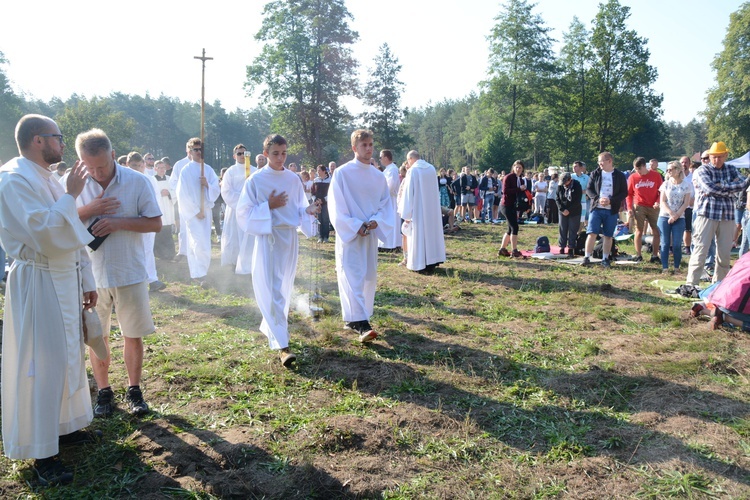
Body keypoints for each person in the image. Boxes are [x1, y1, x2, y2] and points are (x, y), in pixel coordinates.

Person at [0, 115, 100, 485]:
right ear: (39, 140)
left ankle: (65, 426)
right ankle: (42, 453)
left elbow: (70, 230)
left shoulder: (51, 179)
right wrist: (72, 195)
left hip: (64, 278)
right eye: (58, 138)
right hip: (38, 279)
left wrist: (86, 276)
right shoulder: (13, 179)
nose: (63, 144)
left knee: (68, 355)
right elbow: (43, 233)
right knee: (42, 363)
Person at [75, 129, 162, 419]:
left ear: (113, 155)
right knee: (96, 335)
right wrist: (90, 208)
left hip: (129, 270)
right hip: (90, 274)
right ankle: (103, 391)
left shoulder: (137, 181)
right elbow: (58, 222)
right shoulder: (71, 185)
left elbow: (155, 223)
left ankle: (134, 390)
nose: (97, 172)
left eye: (102, 165)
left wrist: (118, 222)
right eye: (90, 167)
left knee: (132, 333)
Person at [235, 135, 319, 367]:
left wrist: (310, 209)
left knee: (282, 289)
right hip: (268, 239)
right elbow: (242, 214)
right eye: (275, 154)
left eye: (284, 153)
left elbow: (300, 210)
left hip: (289, 239)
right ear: (265, 153)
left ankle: (272, 328)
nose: (280, 158)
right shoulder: (255, 181)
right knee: (272, 290)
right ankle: (283, 346)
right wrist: (267, 206)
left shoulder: (293, 179)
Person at [328, 129, 393, 342]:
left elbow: (385, 204)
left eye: (371, 145)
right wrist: (356, 225)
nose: (368, 149)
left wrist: (376, 221)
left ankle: (358, 316)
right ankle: (361, 323)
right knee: (352, 275)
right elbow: (336, 205)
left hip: (371, 234)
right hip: (351, 235)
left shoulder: (378, 176)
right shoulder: (343, 173)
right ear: (354, 148)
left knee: (368, 276)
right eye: (364, 145)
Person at [687, 142, 750, 285]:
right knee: (700, 250)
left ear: (726, 155)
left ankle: (719, 285)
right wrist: (730, 188)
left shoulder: (732, 169)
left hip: (727, 215)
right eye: (714, 157)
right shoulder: (703, 170)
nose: (717, 160)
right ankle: (691, 284)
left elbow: (743, 184)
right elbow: (710, 189)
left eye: (720, 157)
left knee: (724, 253)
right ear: (709, 156)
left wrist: (722, 186)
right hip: (706, 214)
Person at [175, 138, 220, 283]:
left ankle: (203, 271)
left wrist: (207, 185)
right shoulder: (186, 170)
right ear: (189, 152)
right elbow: (183, 194)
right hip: (194, 213)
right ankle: (197, 273)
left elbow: (216, 188)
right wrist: (196, 211)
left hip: (205, 211)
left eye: (201, 149)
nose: (199, 152)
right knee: (197, 242)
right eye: (195, 149)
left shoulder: (208, 169)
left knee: (205, 242)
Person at [398, 150, 446, 274]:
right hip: (432, 210)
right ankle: (432, 261)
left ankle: (420, 263)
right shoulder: (431, 168)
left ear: (410, 159)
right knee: (430, 235)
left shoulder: (413, 171)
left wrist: (406, 213)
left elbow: (409, 193)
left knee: (419, 237)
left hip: (418, 210)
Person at [126, 152, 166, 292]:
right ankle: (137, 280)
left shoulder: (150, 179)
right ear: (127, 165)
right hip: (131, 221)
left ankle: (152, 279)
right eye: (133, 166)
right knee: (132, 250)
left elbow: (156, 199)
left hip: (147, 219)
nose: (136, 168)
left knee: (148, 249)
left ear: (143, 165)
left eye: (139, 165)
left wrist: (153, 217)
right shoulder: (124, 180)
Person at [582, 152, 628, 268]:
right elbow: (589, 189)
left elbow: (624, 192)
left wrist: (611, 200)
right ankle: (587, 257)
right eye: (598, 161)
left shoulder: (619, 175)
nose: (599, 164)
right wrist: (597, 199)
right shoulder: (595, 174)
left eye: (601, 161)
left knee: (608, 235)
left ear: (609, 161)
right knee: (592, 232)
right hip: (596, 208)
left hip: (611, 210)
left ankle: (605, 258)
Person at [220, 144, 255, 268]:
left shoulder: (254, 171)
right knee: (233, 236)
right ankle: (233, 262)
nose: (242, 156)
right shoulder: (230, 171)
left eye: (244, 153)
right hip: (234, 209)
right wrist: (241, 200)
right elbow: (226, 191)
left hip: (250, 210)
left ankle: (248, 263)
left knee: (249, 237)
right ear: (234, 156)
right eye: (239, 153)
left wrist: (249, 201)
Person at [657, 161, 693, 274]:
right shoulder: (666, 184)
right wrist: (671, 213)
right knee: (665, 243)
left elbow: (686, 203)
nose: (668, 172)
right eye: (667, 170)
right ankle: (665, 267)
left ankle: (677, 267)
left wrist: (677, 215)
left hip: (680, 217)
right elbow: (662, 201)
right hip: (664, 216)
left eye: (670, 169)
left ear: (678, 170)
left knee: (677, 244)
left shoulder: (687, 185)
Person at [626, 156, 663, 263]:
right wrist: (629, 208)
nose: (638, 172)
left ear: (644, 166)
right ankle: (638, 255)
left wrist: (658, 201)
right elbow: (629, 194)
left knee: (656, 231)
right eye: (635, 169)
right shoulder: (633, 177)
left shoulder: (656, 175)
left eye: (639, 169)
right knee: (639, 230)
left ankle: (655, 255)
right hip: (639, 206)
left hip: (653, 206)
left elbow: (661, 191)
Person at [498, 160, 528, 258]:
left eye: (520, 167)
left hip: (514, 206)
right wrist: (519, 189)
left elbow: (521, 195)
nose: (518, 169)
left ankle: (502, 249)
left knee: (510, 228)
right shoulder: (508, 177)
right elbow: (505, 191)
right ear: (513, 168)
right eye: (517, 167)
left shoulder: (521, 180)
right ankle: (514, 250)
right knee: (515, 227)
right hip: (506, 205)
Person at [169, 141, 193, 262]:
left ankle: (195, 251)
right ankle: (183, 251)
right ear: (187, 150)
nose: (193, 151)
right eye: (191, 149)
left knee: (195, 227)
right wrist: (182, 189)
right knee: (183, 227)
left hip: (196, 202)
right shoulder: (180, 164)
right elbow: (172, 182)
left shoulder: (202, 165)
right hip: (184, 201)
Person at [377, 149, 402, 252]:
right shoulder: (388, 169)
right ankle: (385, 244)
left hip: (390, 199)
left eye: (381, 157)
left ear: (386, 158)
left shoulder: (392, 169)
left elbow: (390, 186)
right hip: (386, 199)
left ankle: (391, 244)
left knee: (391, 222)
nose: (380, 160)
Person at [153, 159, 177, 260]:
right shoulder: (152, 179)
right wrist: (159, 193)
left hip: (168, 206)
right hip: (159, 208)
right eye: (160, 168)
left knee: (167, 231)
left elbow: (175, 191)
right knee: (159, 231)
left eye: (164, 167)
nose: (162, 169)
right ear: (155, 169)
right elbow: (150, 193)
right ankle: (159, 253)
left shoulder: (169, 179)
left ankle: (170, 253)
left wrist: (170, 193)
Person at [555, 172, 582, 257]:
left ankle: (571, 247)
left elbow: (577, 200)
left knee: (573, 229)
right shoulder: (560, 186)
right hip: (563, 211)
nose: (564, 185)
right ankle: (562, 246)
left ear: (570, 180)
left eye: (565, 182)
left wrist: (569, 210)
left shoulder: (577, 185)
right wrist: (562, 209)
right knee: (563, 229)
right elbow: (557, 198)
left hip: (574, 211)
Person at [312, 164, 332, 242]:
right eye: (317, 170)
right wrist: (315, 200)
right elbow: (313, 192)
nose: (318, 172)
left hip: (326, 203)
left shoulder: (330, 180)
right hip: (317, 204)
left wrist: (323, 200)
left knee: (325, 219)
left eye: (319, 170)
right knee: (319, 219)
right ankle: (320, 236)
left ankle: (326, 237)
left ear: (324, 171)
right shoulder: (316, 180)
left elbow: (331, 193)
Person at [571, 161, 590, 229]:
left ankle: (579, 233)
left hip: (583, 200)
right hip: (573, 201)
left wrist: (586, 193)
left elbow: (589, 188)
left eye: (576, 166)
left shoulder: (586, 177)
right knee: (573, 217)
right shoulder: (571, 177)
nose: (574, 168)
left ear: (581, 168)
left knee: (582, 218)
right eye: (573, 166)